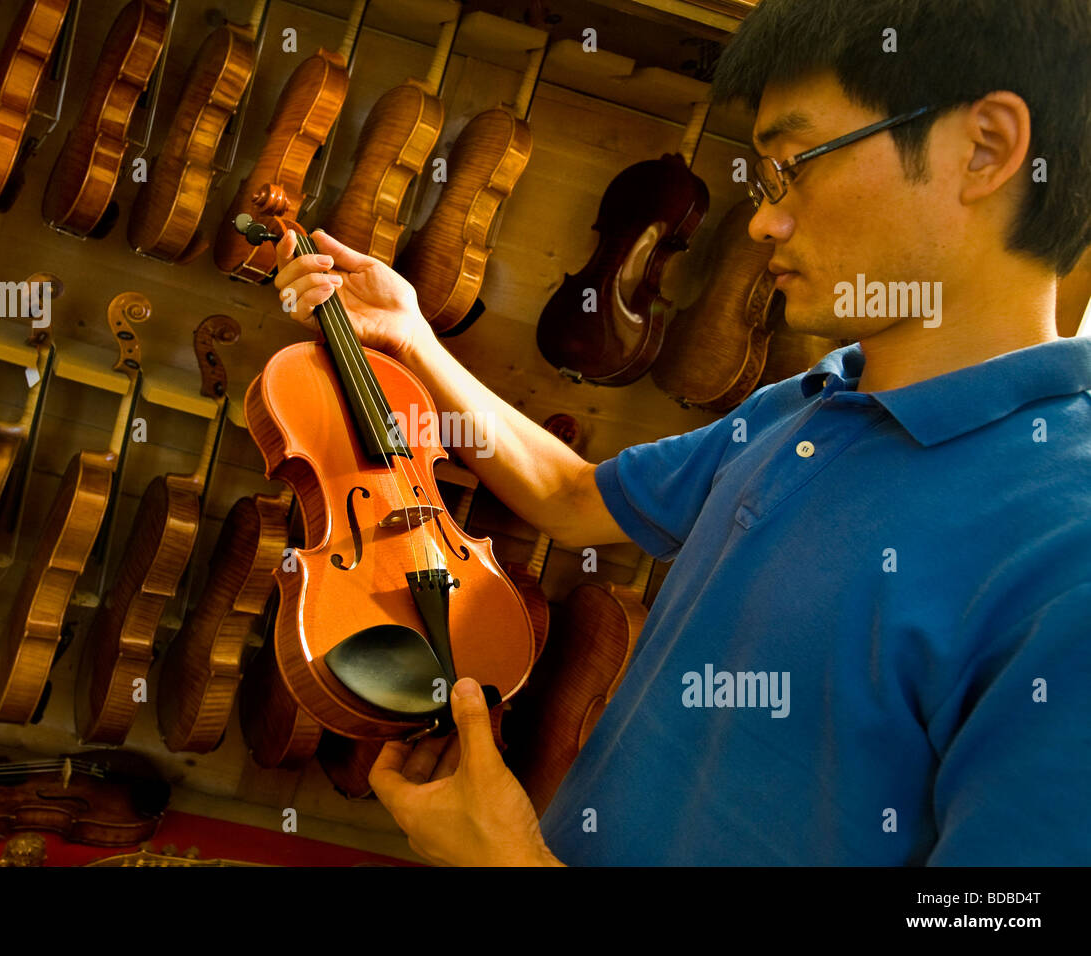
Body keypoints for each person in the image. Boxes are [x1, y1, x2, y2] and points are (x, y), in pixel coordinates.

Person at [269, 0, 1091, 866]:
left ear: (987, 148)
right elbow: (572, 496)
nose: (766, 220)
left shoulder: (1066, 552)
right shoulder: (806, 405)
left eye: (792, 166)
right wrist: (412, 335)